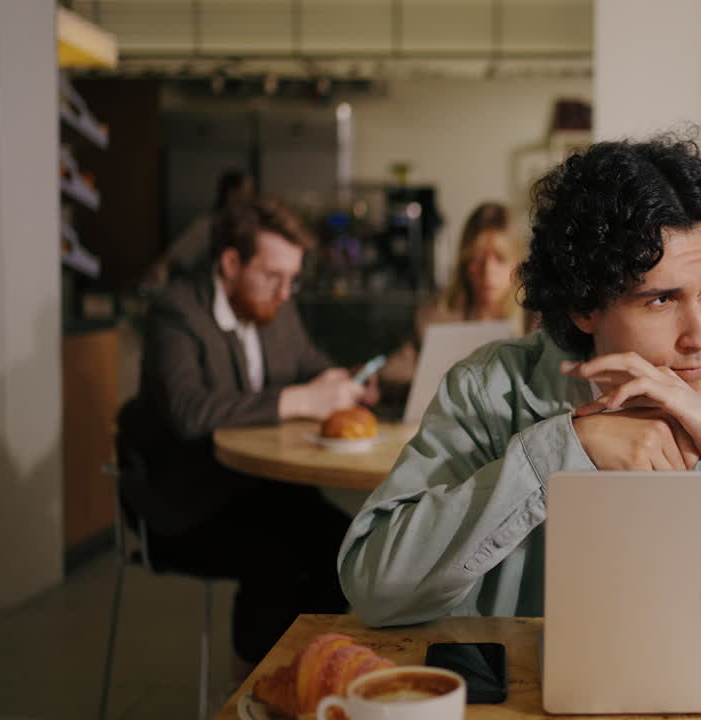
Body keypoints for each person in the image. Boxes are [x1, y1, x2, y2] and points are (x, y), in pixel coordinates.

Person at [336, 134, 701, 628]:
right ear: (584, 307)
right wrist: (559, 453)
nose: (700, 334)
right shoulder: (489, 390)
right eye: (660, 300)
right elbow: (375, 589)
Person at [118, 196, 376, 676]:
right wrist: (300, 400)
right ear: (231, 262)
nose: (284, 292)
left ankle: (299, 674)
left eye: (292, 280)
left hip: (253, 489)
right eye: (273, 277)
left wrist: (345, 381)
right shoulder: (176, 314)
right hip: (181, 503)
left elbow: (312, 365)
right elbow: (191, 412)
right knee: (278, 560)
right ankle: (253, 688)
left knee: (347, 547)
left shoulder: (275, 307)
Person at [379, 201, 531, 393]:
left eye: (499, 259)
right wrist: (378, 380)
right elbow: (398, 369)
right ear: (464, 262)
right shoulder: (438, 312)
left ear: (517, 263)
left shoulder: (536, 318)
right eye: (477, 259)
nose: (487, 272)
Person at [149, 169, 256, 285]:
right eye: (246, 192)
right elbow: (172, 258)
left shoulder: (250, 228)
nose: (250, 198)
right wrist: (160, 271)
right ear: (231, 193)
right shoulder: (207, 225)